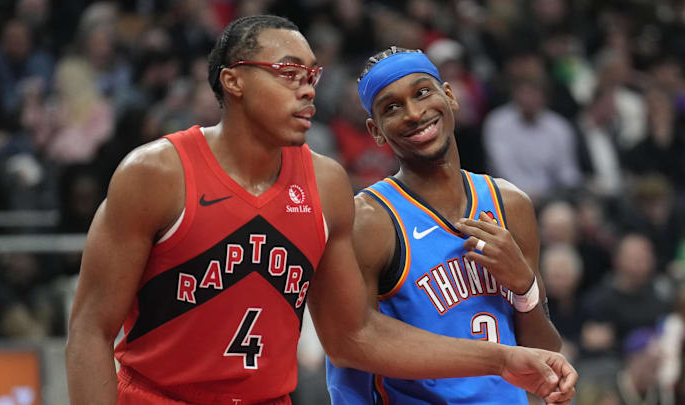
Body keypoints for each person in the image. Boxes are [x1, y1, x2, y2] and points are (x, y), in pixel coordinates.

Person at [65, 16, 577, 405]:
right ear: (233, 82)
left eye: (311, 74)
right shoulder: (156, 173)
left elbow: (352, 334)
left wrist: (502, 356)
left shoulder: (326, 182)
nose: (308, 87)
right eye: (288, 73)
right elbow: (90, 329)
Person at [326, 46, 566, 404]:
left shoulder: (510, 204)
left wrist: (524, 287)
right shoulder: (370, 220)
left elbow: (544, 355)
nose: (414, 113)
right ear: (376, 131)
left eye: (423, 93)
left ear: (449, 96)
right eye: (392, 107)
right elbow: (350, 349)